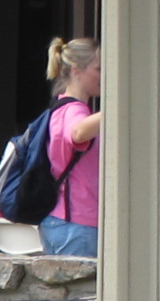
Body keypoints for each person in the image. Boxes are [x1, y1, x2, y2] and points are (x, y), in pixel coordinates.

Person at [39, 36, 101, 257]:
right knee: (83, 293)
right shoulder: (75, 111)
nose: (103, 76)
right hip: (77, 222)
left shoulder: (59, 108)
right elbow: (78, 132)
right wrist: (117, 105)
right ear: (76, 71)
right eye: (99, 69)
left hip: (60, 220)